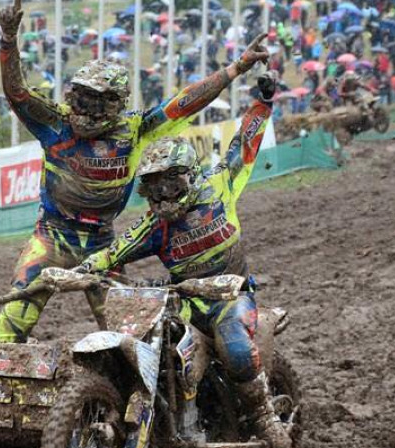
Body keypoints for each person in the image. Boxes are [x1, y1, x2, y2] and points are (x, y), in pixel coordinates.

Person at [0, 0, 269, 345]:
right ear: (70, 97)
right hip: (53, 234)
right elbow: (17, 92)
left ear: (117, 103)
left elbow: (184, 103)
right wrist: (8, 38)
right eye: (83, 101)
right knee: (17, 311)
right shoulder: (55, 123)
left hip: (104, 241)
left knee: (128, 330)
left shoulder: (134, 129)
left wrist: (237, 68)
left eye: (100, 103)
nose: (89, 112)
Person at [76, 71, 293, 448]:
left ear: (190, 177)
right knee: (137, 350)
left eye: (170, 183)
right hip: (183, 305)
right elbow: (113, 252)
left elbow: (245, 143)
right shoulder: (153, 225)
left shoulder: (219, 186)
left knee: (236, 348)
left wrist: (263, 102)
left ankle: (264, 416)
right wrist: (80, 271)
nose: (162, 193)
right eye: (153, 185)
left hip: (229, 298)